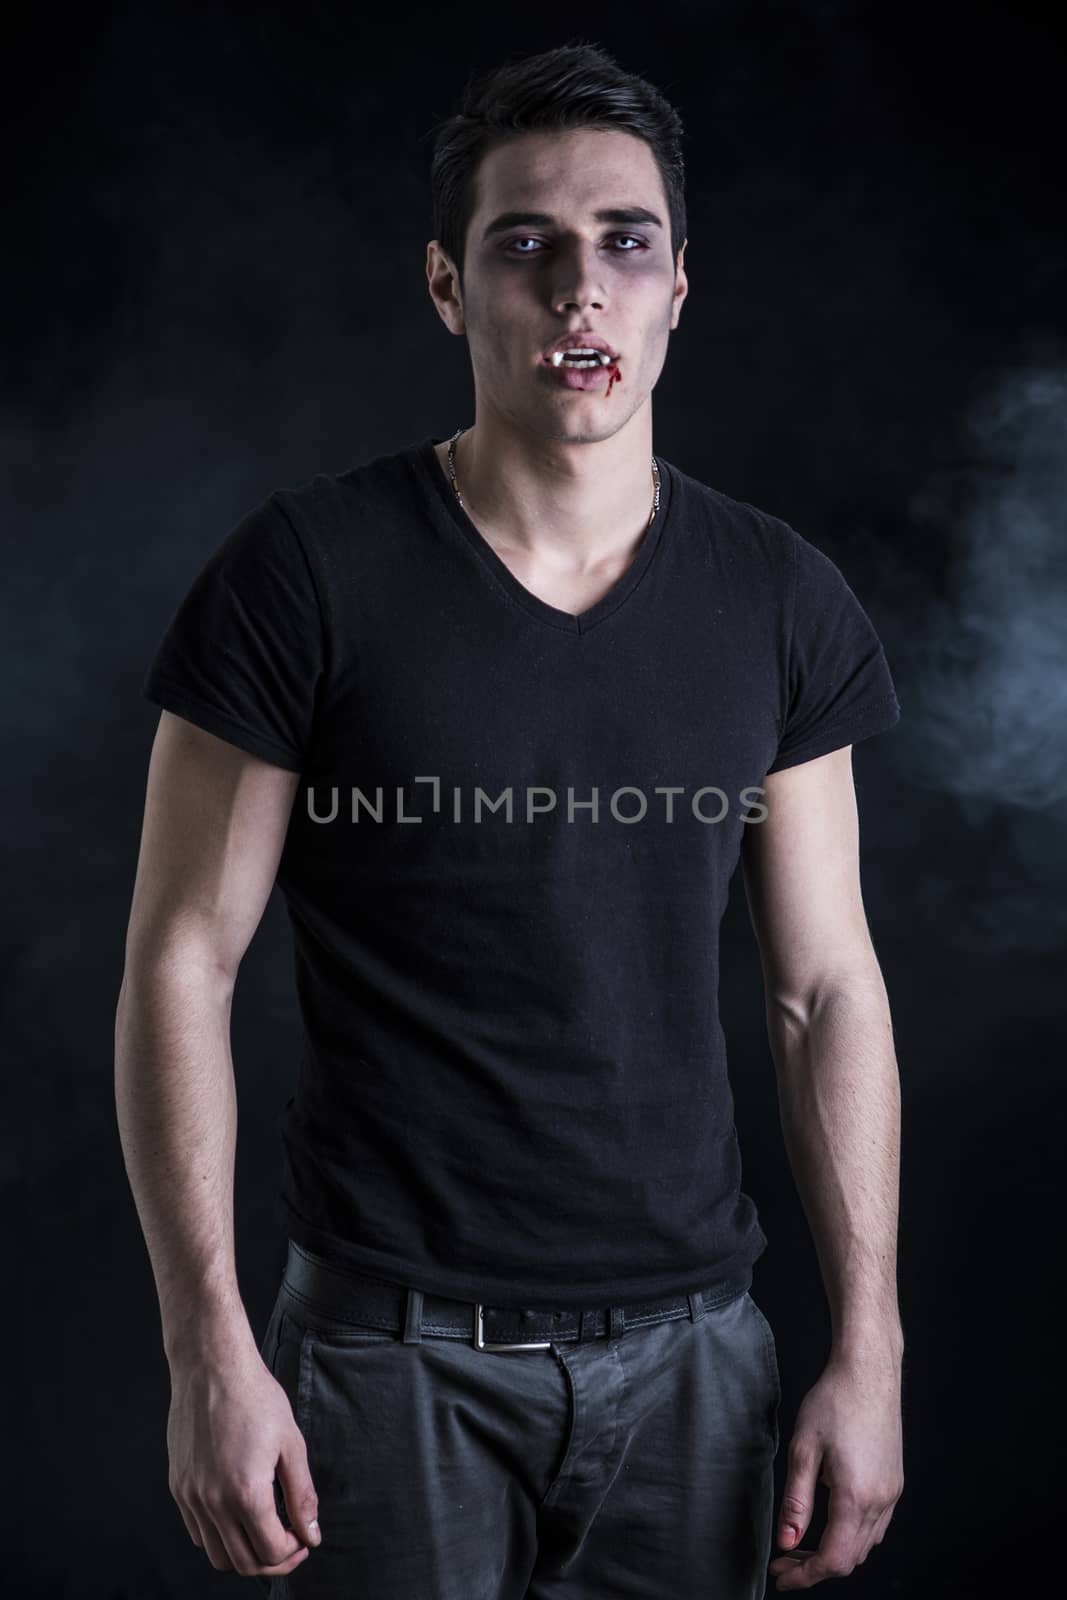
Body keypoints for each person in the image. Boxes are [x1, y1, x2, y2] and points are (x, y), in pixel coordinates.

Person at [115, 39, 905, 1600]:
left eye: (626, 242)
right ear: (444, 287)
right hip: (383, 1360)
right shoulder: (305, 575)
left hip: (698, 1367)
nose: (579, 289)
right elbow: (179, 963)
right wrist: (207, 1347)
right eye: (523, 245)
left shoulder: (779, 598)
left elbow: (825, 992)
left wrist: (869, 1346)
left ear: (682, 285)